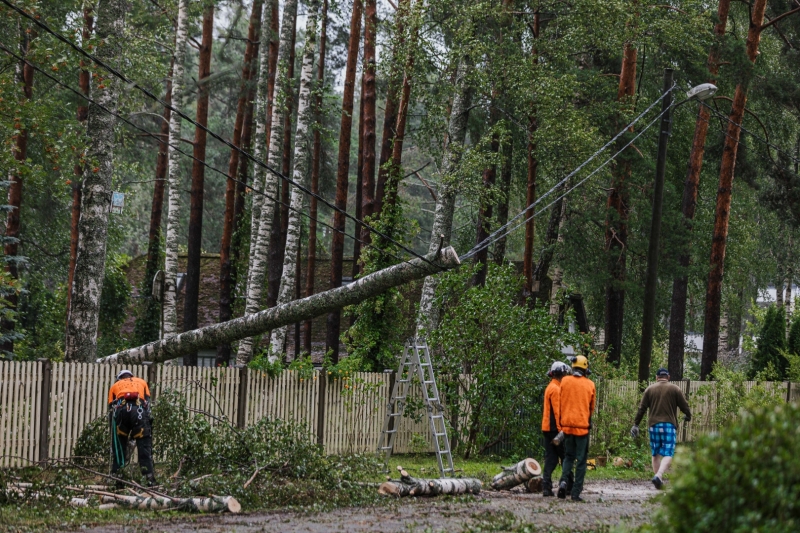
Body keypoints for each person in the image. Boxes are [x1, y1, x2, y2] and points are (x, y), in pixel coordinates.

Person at [630, 367, 691, 490]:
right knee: (668, 453)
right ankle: (658, 475)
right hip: (669, 425)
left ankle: (658, 481)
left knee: (655, 454)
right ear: (668, 377)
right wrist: (688, 415)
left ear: (657, 377)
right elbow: (684, 406)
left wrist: (636, 424)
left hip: (653, 426)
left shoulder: (649, 389)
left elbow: (641, 408)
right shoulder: (675, 389)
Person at [107, 369, 157, 487]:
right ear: (131, 376)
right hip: (139, 413)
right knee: (144, 448)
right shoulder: (142, 382)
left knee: (119, 449)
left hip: (121, 414)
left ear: (119, 378)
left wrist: (113, 433)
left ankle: (118, 481)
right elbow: (147, 403)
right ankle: (149, 481)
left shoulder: (115, 386)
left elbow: (111, 409)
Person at [557, 355, 595, 501]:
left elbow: (560, 401)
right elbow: (591, 407)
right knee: (581, 460)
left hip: (567, 426)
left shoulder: (564, 381)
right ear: (585, 369)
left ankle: (563, 482)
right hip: (582, 427)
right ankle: (576, 492)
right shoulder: (590, 384)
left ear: (573, 368)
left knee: (568, 457)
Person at [541, 361, 573, 497]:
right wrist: (562, 431)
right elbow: (557, 411)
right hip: (555, 429)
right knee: (566, 456)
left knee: (551, 458)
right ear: (561, 374)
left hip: (547, 428)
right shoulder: (556, 389)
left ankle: (546, 486)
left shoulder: (551, 386)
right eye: (565, 373)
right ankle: (568, 485)